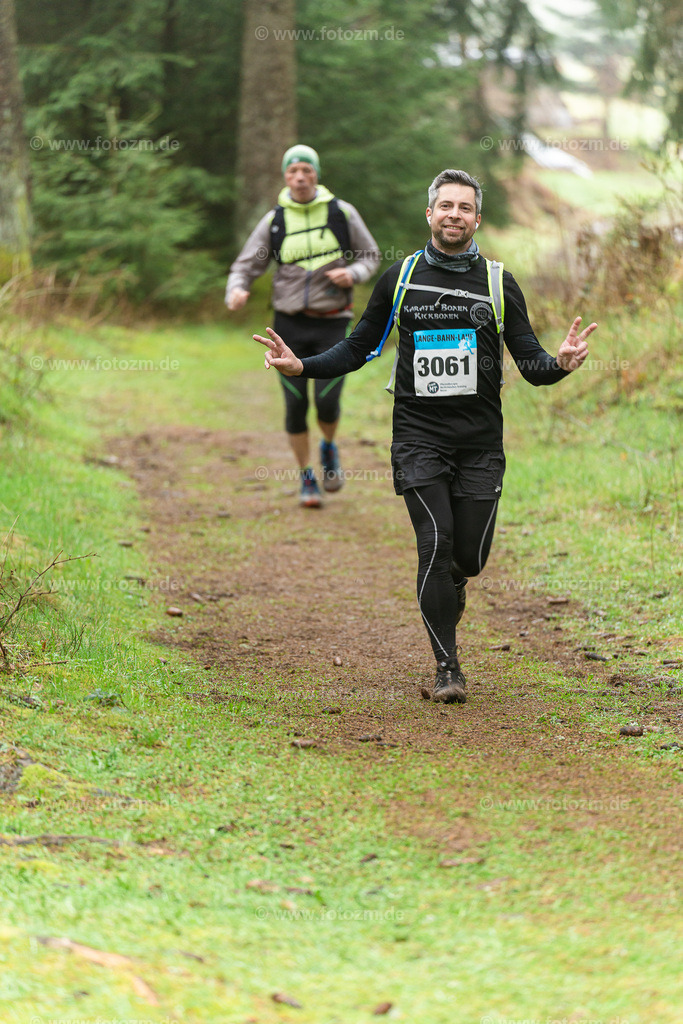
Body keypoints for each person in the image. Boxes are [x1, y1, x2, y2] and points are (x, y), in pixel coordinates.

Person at [254, 169, 597, 703]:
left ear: (476, 218)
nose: (454, 215)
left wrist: (562, 363)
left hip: (481, 442)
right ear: (431, 215)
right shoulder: (402, 276)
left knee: (469, 558)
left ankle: (454, 585)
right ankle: (447, 668)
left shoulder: (497, 282)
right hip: (417, 436)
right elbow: (361, 346)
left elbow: (531, 364)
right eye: (446, 206)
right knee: (434, 544)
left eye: (465, 207)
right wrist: (303, 367)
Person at [226, 144, 381, 508]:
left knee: (327, 401)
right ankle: (305, 477)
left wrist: (354, 273)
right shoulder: (275, 220)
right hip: (288, 327)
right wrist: (237, 288)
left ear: (316, 174)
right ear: (285, 176)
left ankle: (328, 447)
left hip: (332, 323)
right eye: (292, 171)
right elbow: (246, 263)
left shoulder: (341, 213)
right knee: (295, 406)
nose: (299, 177)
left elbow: (370, 254)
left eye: (306, 171)